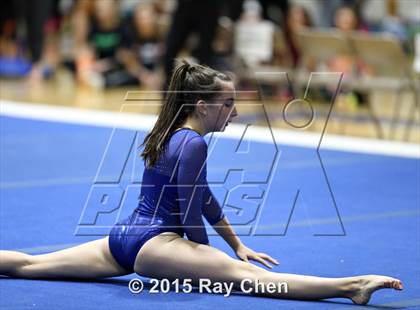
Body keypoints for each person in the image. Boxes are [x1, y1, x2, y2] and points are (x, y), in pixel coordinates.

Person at [0, 60, 403, 305]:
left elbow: (204, 197)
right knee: (252, 281)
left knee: (30, 264)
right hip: (157, 244)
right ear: (203, 106)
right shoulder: (193, 144)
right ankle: (352, 285)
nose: (234, 112)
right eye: (227, 105)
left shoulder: (172, 132)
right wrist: (209, 259)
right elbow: (191, 212)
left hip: (123, 237)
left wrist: (236, 244)